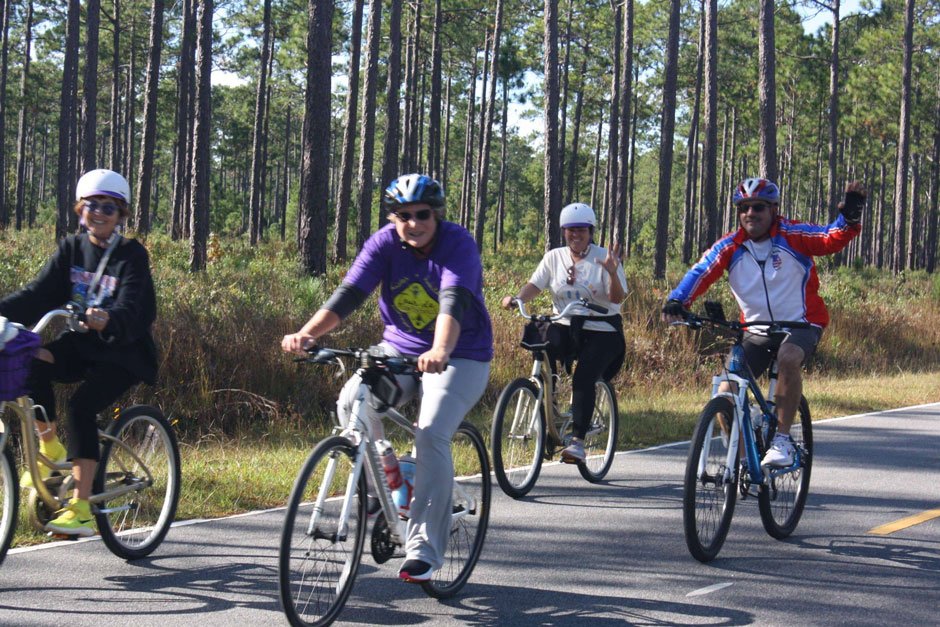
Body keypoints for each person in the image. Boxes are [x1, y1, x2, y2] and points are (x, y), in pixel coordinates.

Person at [281, 173, 493, 583]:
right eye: (404, 216)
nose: (414, 223)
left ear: (437, 214)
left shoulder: (457, 243)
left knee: (430, 433)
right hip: (400, 347)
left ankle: (423, 549)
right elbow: (350, 293)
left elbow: (453, 301)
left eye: (422, 214)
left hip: (460, 353)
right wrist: (308, 333)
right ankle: (384, 488)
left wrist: (441, 350)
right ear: (394, 218)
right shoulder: (384, 243)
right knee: (351, 403)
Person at [661, 177, 864, 466]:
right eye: (743, 207)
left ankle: (782, 439)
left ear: (773, 209)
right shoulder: (731, 246)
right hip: (755, 330)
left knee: (788, 358)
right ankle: (745, 463)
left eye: (758, 207)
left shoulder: (792, 235)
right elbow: (701, 271)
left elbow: (830, 237)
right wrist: (678, 301)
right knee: (725, 394)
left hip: (801, 324)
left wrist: (850, 217)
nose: (750, 214)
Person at [0, 169, 158, 536]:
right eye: (92, 205)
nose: (99, 213)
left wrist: (110, 318)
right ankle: (51, 448)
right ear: (79, 209)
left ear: (121, 215)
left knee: (81, 407)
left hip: (123, 352)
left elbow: (138, 306)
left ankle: (83, 507)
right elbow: (37, 295)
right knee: (31, 360)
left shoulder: (131, 255)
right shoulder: (71, 249)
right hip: (80, 347)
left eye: (109, 207)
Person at [500, 202, 627, 463]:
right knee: (541, 344)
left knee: (584, 377)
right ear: (564, 232)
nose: (575, 235)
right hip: (566, 323)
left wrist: (612, 273)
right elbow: (535, 285)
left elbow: (617, 299)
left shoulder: (604, 258)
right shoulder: (554, 257)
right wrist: (517, 298)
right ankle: (549, 409)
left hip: (602, 328)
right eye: (570, 230)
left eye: (581, 230)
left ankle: (578, 441)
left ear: (591, 231)